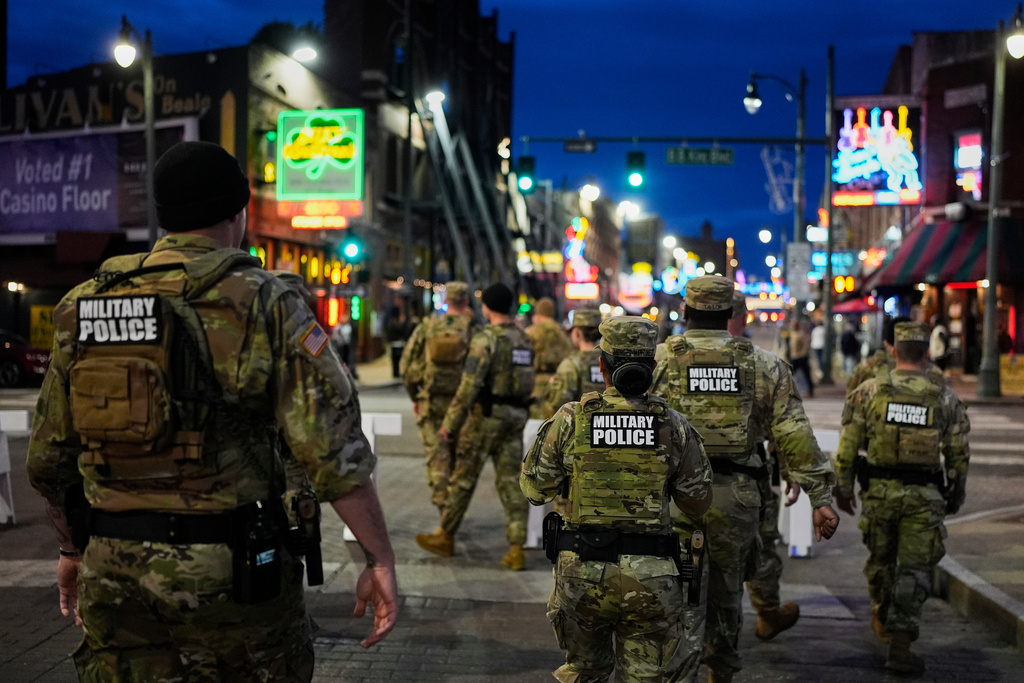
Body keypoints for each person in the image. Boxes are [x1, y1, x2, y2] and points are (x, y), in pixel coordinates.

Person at [25, 141, 397, 680]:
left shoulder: (84, 304)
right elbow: (333, 454)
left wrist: (71, 549)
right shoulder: (265, 300)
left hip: (113, 567)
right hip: (231, 575)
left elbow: (47, 458)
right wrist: (378, 558)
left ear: (162, 215)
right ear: (238, 211)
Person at [651, 275, 840, 683]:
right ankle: (721, 672)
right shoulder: (764, 364)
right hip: (735, 497)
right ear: (730, 314)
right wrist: (821, 495)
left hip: (669, 497)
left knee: (668, 588)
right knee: (726, 592)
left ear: (685, 312)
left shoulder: (659, 359)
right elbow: (793, 432)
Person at [521, 316, 713, 682]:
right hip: (652, 579)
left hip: (582, 576)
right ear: (652, 369)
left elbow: (535, 490)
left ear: (602, 367)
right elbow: (698, 503)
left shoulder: (570, 419)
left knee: (584, 672)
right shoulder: (674, 424)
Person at [834, 321, 970, 675]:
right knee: (913, 570)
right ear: (926, 352)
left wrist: (843, 489)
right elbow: (958, 455)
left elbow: (847, 448)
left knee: (881, 559)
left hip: (878, 493)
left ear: (893, 350)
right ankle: (901, 645)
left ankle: (881, 613)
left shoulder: (868, 391)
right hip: (924, 498)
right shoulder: (943, 395)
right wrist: (954, 495)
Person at [416, 282, 536, 571]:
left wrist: (450, 424)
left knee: (463, 478)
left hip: (486, 418)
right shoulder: (524, 339)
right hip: (515, 417)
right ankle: (516, 548)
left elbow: (468, 386)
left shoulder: (485, 340)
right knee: (511, 483)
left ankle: (445, 535)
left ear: (487, 307)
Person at [729, 290, 803, 641]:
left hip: (687, 485)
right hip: (747, 481)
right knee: (759, 547)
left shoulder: (667, 361)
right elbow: (787, 428)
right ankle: (767, 612)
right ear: (742, 318)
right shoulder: (764, 364)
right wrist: (793, 471)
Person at [398, 282, 478, 522]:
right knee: (459, 460)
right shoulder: (473, 329)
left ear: (445, 301)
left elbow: (406, 366)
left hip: (431, 403)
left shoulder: (427, 327)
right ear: (465, 302)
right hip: (463, 406)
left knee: (437, 458)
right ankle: (453, 514)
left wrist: (415, 396)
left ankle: (444, 512)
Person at [540, 308, 605, 418]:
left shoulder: (570, 365)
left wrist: (552, 387)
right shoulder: (610, 361)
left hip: (580, 431)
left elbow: (556, 407)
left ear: (577, 333)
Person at [526, 296, 574, 419]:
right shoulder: (562, 333)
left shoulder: (532, 332)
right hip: (559, 382)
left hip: (536, 384)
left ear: (537, 313)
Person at [788, 317, 815, 398]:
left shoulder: (800, 334)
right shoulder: (792, 334)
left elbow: (806, 346)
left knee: (806, 375)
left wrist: (803, 354)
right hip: (794, 357)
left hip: (801, 358)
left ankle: (810, 391)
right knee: (790, 374)